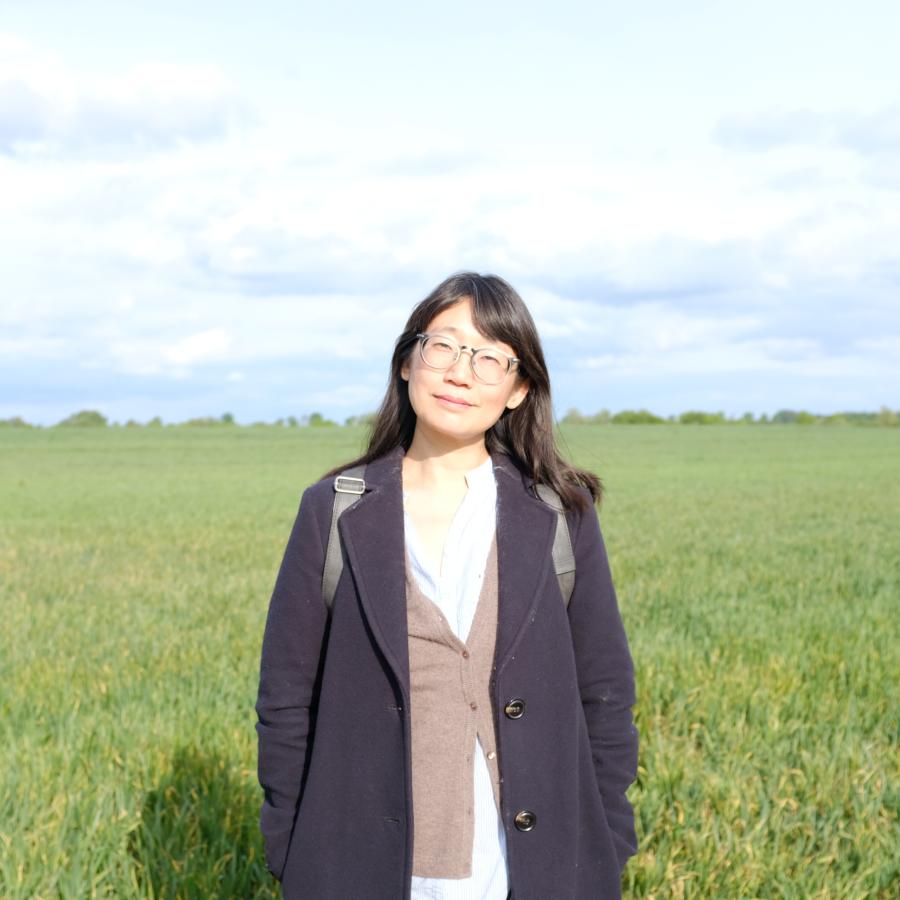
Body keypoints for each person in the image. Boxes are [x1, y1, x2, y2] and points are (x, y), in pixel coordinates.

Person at [255, 272, 638, 900]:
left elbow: (606, 693)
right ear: (408, 363)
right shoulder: (334, 510)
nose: (461, 373)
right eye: (444, 347)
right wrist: (291, 846)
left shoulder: (558, 514)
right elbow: (286, 697)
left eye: (489, 358)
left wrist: (608, 841)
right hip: (363, 862)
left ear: (518, 390)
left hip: (530, 865)